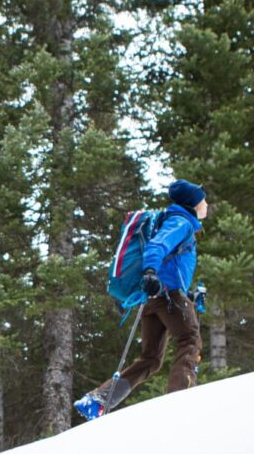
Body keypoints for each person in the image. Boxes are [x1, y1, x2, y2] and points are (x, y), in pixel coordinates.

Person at [75, 179, 209, 420]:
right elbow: (157, 246)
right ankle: (182, 401)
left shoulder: (172, 220)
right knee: (190, 340)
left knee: (150, 359)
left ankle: (98, 400)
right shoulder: (181, 222)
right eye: (203, 199)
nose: (206, 204)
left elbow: (170, 261)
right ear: (193, 204)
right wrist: (150, 272)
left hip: (155, 298)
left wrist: (186, 294)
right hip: (167, 295)